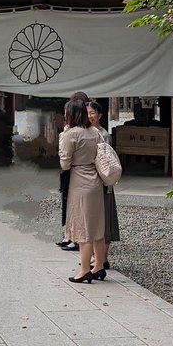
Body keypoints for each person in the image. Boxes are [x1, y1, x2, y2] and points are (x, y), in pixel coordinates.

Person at [59, 97, 108, 282]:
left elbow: (64, 163)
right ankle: (99, 266)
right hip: (95, 180)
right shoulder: (95, 132)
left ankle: (85, 269)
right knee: (96, 226)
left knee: (83, 227)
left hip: (79, 181)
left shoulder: (71, 134)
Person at [87, 100, 120, 272]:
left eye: (92, 113)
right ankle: (95, 257)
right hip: (92, 183)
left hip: (103, 182)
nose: (89, 116)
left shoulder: (104, 135)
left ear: (99, 115)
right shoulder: (85, 133)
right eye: (87, 113)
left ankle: (103, 258)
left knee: (104, 221)